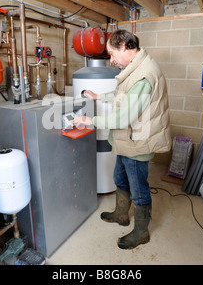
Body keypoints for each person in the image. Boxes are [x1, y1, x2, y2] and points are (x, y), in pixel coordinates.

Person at [73, 29, 171, 249]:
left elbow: (124, 116)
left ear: (124, 46)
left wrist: (90, 121)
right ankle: (121, 214)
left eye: (111, 53)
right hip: (127, 140)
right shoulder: (134, 69)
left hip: (137, 142)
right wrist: (99, 96)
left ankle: (141, 232)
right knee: (120, 177)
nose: (111, 59)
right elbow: (123, 96)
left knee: (139, 189)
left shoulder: (144, 75)